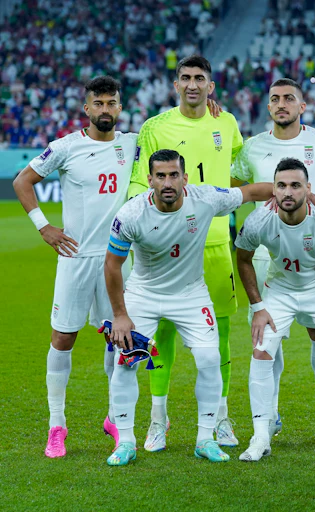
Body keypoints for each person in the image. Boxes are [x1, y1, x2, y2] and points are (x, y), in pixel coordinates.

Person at [104, 149, 276, 466]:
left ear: (185, 178)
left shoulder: (206, 198)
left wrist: (289, 191)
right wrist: (120, 316)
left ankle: (205, 439)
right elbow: (112, 267)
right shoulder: (131, 214)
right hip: (144, 293)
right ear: (149, 179)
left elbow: (250, 191)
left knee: (210, 358)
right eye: (160, 176)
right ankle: (125, 442)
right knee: (125, 362)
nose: (167, 182)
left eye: (173, 175)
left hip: (191, 293)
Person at [13, 76, 137, 458]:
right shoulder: (66, 147)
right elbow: (23, 181)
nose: (104, 109)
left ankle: (116, 418)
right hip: (75, 258)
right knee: (63, 338)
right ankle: (57, 425)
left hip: (117, 259)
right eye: (97, 103)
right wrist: (44, 227)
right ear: (86, 108)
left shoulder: (132, 143)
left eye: (111, 103)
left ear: (119, 107)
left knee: (119, 339)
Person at [127, 55, 244, 450]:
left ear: (211, 86)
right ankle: (158, 419)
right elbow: (136, 183)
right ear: (175, 84)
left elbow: (238, 169)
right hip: (163, 250)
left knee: (221, 336)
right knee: (160, 334)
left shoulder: (226, 123)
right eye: (185, 78)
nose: (192, 84)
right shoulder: (155, 127)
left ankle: (221, 418)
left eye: (200, 79)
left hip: (214, 246)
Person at [231, 78, 315, 445]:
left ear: (303, 106)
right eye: (275, 99)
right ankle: (271, 416)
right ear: (268, 106)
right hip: (265, 253)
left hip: (313, 251)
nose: (282, 104)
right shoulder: (251, 147)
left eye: (289, 99)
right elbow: (235, 189)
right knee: (267, 339)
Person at [234, 158, 315, 462]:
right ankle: (261, 435)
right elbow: (243, 258)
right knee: (262, 350)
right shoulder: (259, 221)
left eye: (295, 185)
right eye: (281, 185)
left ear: (308, 188)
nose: (287, 192)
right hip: (281, 289)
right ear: (273, 189)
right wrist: (258, 306)